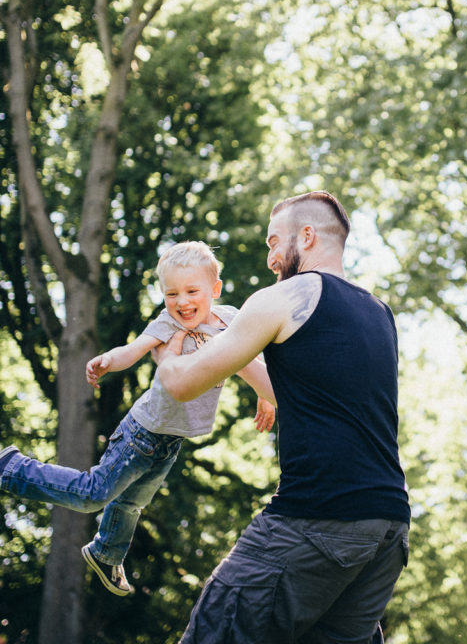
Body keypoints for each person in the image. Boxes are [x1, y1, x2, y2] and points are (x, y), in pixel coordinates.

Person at [155, 191, 410, 644]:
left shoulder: (286, 296)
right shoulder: (378, 312)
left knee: (216, 630)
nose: (271, 257)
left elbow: (182, 384)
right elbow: (301, 394)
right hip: (386, 529)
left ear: (306, 236)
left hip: (317, 517)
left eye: (275, 242)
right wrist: (250, 368)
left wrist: (167, 354)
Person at [0, 241, 276, 598]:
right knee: (92, 494)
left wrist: (263, 396)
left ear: (215, 290)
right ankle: (12, 470)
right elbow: (135, 349)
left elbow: (253, 353)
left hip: (169, 441)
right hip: (142, 433)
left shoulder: (231, 321)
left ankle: (105, 552)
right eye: (171, 293)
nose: (182, 302)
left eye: (192, 291)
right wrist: (108, 361)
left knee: (131, 503)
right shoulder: (166, 323)